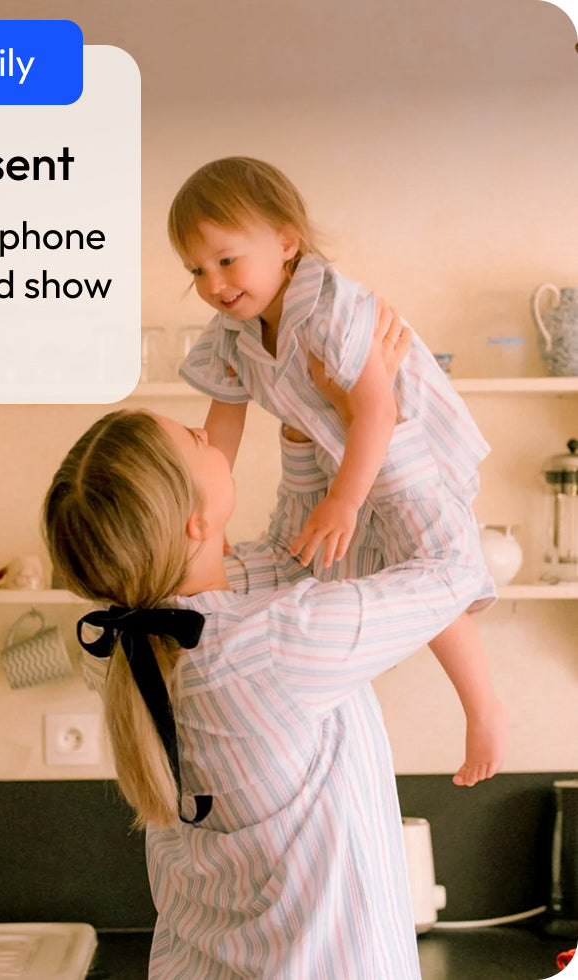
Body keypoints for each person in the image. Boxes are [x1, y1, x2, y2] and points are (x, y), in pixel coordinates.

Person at [42, 313, 493, 978]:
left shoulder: (127, 642)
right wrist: (381, 418)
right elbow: (451, 570)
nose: (212, 436)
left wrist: (300, 422)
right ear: (195, 520)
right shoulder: (265, 648)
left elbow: (288, 558)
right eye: (199, 439)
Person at [169, 155, 508, 787]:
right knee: (321, 559)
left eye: (226, 259)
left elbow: (378, 413)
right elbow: (221, 432)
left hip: (409, 444)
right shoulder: (232, 332)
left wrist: (345, 502)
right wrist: (199, 511)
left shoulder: (330, 307)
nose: (214, 282)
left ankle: (483, 707)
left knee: (428, 566)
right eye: (196, 270)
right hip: (337, 450)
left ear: (286, 241)